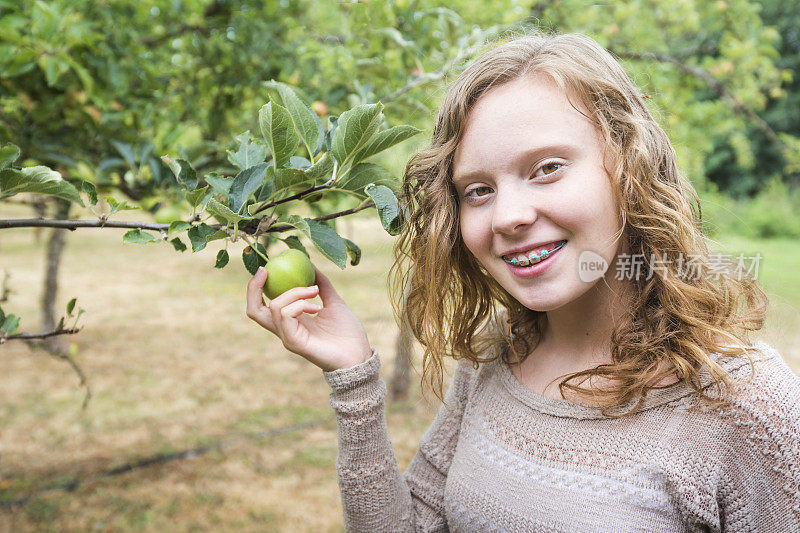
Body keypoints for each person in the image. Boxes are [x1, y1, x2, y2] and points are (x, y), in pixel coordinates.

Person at [246, 31, 800, 532]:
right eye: (478, 190)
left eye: (548, 168)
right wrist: (353, 377)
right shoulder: (496, 355)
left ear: (629, 169)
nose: (508, 216)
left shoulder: (743, 405)